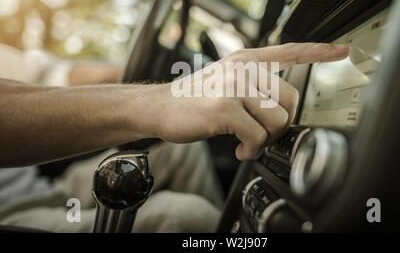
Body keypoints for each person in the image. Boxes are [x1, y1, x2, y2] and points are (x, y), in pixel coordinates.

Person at [0, 41, 349, 232]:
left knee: (184, 152)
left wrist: (156, 65)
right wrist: (155, 102)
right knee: (183, 218)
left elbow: (51, 75)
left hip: (40, 190)